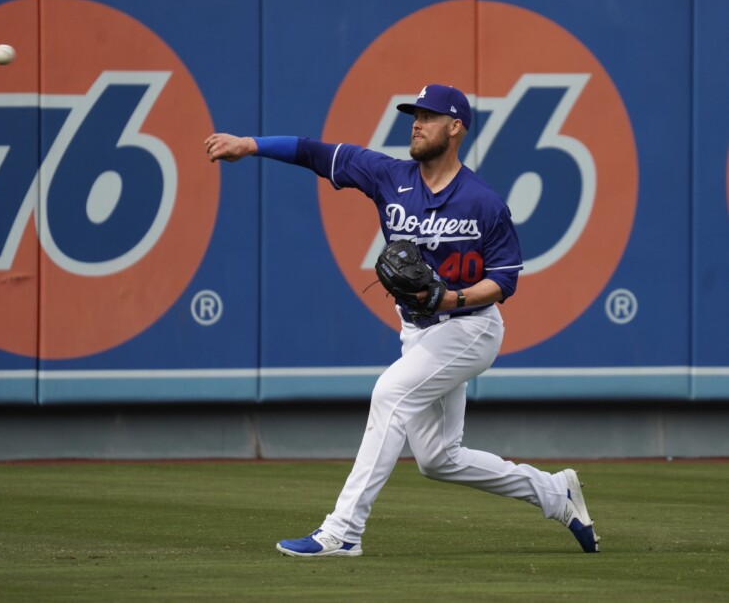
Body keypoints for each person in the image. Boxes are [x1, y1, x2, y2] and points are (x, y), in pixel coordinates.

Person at [204, 84, 600, 555]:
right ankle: (555, 493)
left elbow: (505, 279)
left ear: (455, 128)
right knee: (438, 459)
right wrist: (250, 146)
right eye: (414, 114)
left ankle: (343, 531)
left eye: (429, 116)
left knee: (389, 395)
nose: (416, 122)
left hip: (471, 328)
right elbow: (314, 152)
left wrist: (449, 298)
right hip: (418, 333)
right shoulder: (388, 176)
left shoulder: (482, 200)